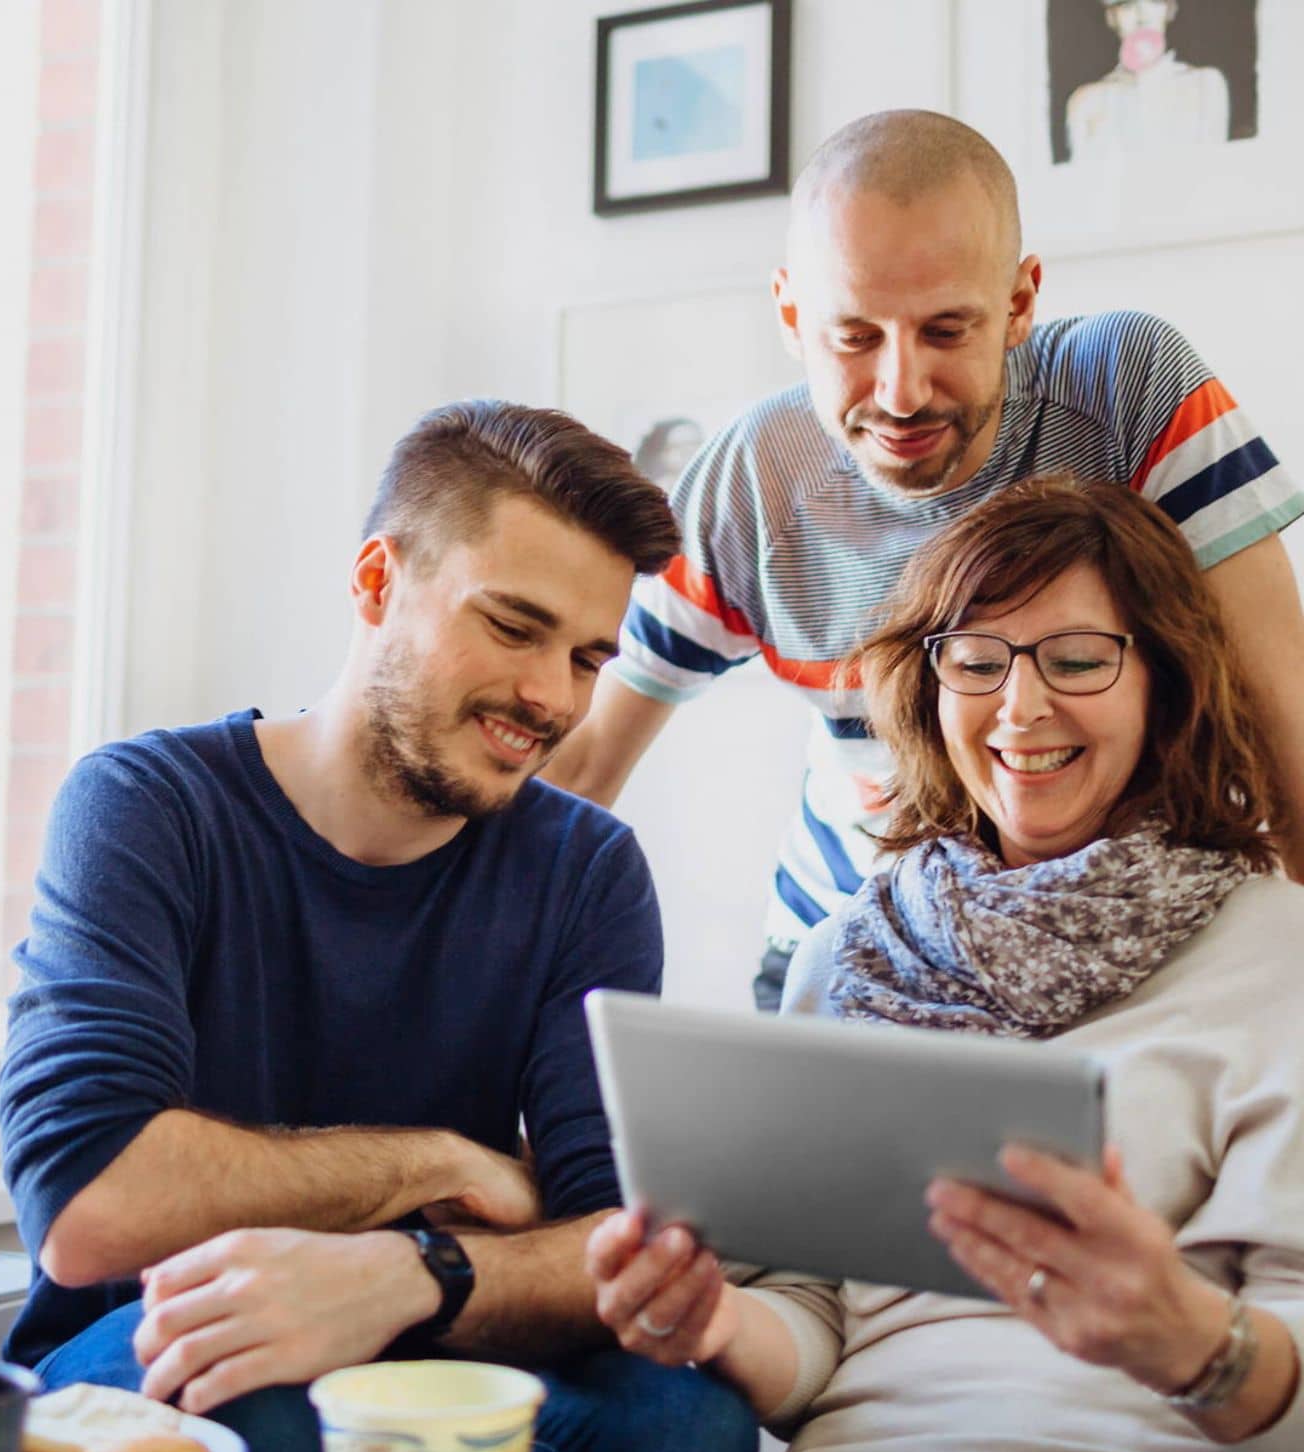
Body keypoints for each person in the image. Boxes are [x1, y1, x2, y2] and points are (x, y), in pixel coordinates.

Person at [0, 400, 759, 1452]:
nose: (554, 697)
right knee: (270, 1404)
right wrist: (437, 1164)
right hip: (161, 1342)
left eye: (588, 656)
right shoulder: (147, 807)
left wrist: (412, 1274)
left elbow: (610, 1250)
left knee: (689, 1428)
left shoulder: (587, 870)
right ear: (375, 581)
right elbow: (91, 1201)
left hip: (439, 1332)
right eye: (513, 626)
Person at [587, 476, 1304, 1452]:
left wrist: (1193, 1339)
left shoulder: (1278, 950)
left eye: (1077, 658)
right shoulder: (843, 960)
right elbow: (812, 1323)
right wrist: (714, 1321)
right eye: (975, 661)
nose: (1020, 708)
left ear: (1165, 679)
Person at [543, 108, 1304, 1012]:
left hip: (1130, 944)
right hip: (851, 949)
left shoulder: (1127, 392)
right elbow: (580, 768)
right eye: (855, 337)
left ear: (1020, 303)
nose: (901, 392)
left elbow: (1281, 709)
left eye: (946, 330)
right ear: (791, 314)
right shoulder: (753, 483)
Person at [1066, 1, 1230, 162]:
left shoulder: (1205, 84)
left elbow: (1211, 168)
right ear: (1111, 17)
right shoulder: (1086, 101)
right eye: (1126, 5)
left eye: (1154, 1)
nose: (1142, 17)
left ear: (1170, 9)